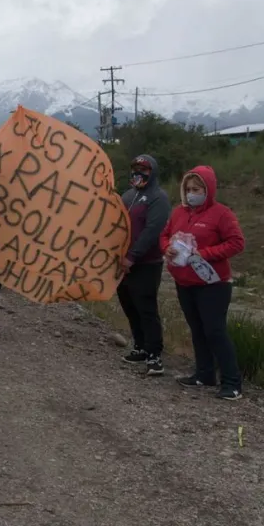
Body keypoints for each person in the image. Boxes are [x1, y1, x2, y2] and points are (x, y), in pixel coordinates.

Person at [160, 165, 246, 401]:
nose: (191, 193)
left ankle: (232, 382)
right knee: (197, 329)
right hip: (184, 281)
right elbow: (165, 234)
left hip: (213, 284)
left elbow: (237, 243)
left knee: (215, 331)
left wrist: (205, 253)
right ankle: (204, 374)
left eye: (196, 189)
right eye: (188, 189)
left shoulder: (222, 214)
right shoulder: (179, 212)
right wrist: (165, 248)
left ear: (208, 189)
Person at [117, 154, 171, 376]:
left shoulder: (158, 198)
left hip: (147, 263)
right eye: (136, 168)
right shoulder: (128, 196)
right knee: (129, 305)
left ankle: (154, 355)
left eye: (144, 169)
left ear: (153, 172)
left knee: (146, 308)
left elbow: (152, 231)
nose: (139, 173)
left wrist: (133, 256)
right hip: (122, 263)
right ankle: (139, 346)